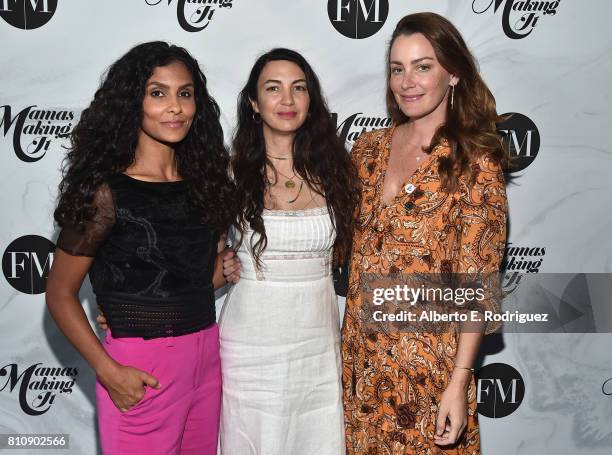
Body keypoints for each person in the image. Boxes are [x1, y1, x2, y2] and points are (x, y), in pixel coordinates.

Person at [45, 41, 236, 455]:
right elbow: (59, 294)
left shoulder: (203, 183)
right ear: (133, 102)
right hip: (142, 366)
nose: (175, 107)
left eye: (185, 93)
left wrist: (223, 269)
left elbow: (186, 282)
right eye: (157, 93)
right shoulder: (106, 192)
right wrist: (108, 370)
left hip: (207, 358)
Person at [341, 12, 508, 454]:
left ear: (452, 73)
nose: (407, 81)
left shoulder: (476, 164)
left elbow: (477, 285)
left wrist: (459, 382)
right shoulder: (367, 150)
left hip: (429, 373)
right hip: (360, 367)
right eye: (398, 68)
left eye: (423, 66)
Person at [218, 48, 360, 455]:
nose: (287, 100)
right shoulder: (230, 173)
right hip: (250, 343)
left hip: (318, 340)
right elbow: (195, 257)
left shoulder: (336, 171)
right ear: (254, 103)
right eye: (273, 89)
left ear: (310, 100)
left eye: (298, 88)